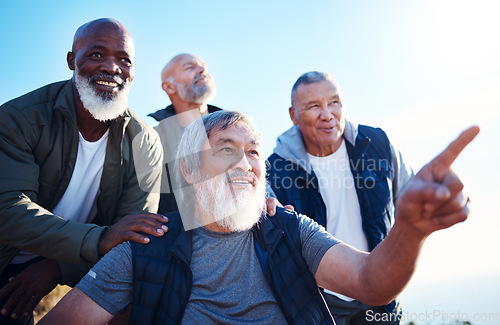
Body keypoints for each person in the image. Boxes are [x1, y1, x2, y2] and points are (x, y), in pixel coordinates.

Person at [39, 111, 478, 325]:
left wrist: (410, 230)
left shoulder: (290, 230)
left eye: (253, 152)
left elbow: (371, 283)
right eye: (226, 149)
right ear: (189, 168)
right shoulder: (146, 251)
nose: (247, 164)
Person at [0, 18, 167, 324]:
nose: (111, 68)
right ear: (71, 61)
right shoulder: (18, 118)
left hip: (77, 264)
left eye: (124, 60)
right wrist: (97, 240)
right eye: (96, 54)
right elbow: (8, 210)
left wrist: (56, 268)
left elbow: (133, 234)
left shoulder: (144, 141)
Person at [267, 71, 413, 323]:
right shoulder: (274, 169)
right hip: (318, 300)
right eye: (314, 106)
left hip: (379, 292)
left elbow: (409, 198)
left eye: (334, 102)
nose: (327, 114)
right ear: (294, 116)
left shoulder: (377, 143)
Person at [150, 53, 284, 217]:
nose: (202, 69)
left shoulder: (240, 130)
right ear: (169, 87)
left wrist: (269, 201)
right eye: (190, 67)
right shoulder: (153, 139)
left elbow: (258, 184)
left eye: (203, 65)